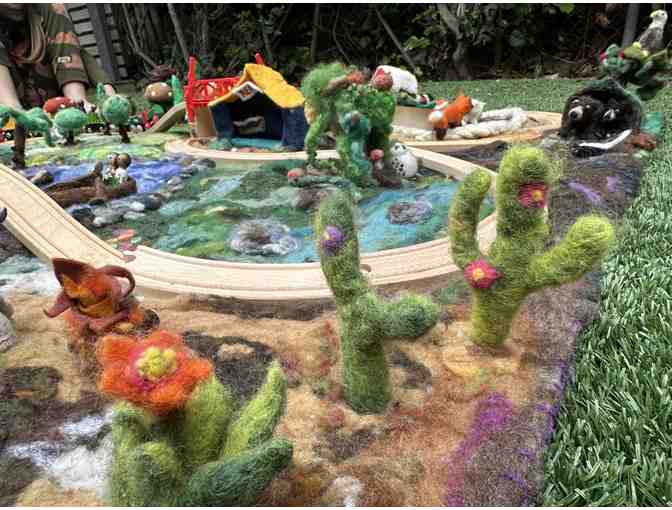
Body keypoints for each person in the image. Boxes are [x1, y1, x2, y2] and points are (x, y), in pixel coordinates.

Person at [0, 4, 116, 169]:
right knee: (14, 117)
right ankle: (15, 118)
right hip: (11, 114)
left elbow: (72, 51)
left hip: (54, 107)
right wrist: (14, 113)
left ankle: (75, 111)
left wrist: (89, 102)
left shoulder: (48, 9)